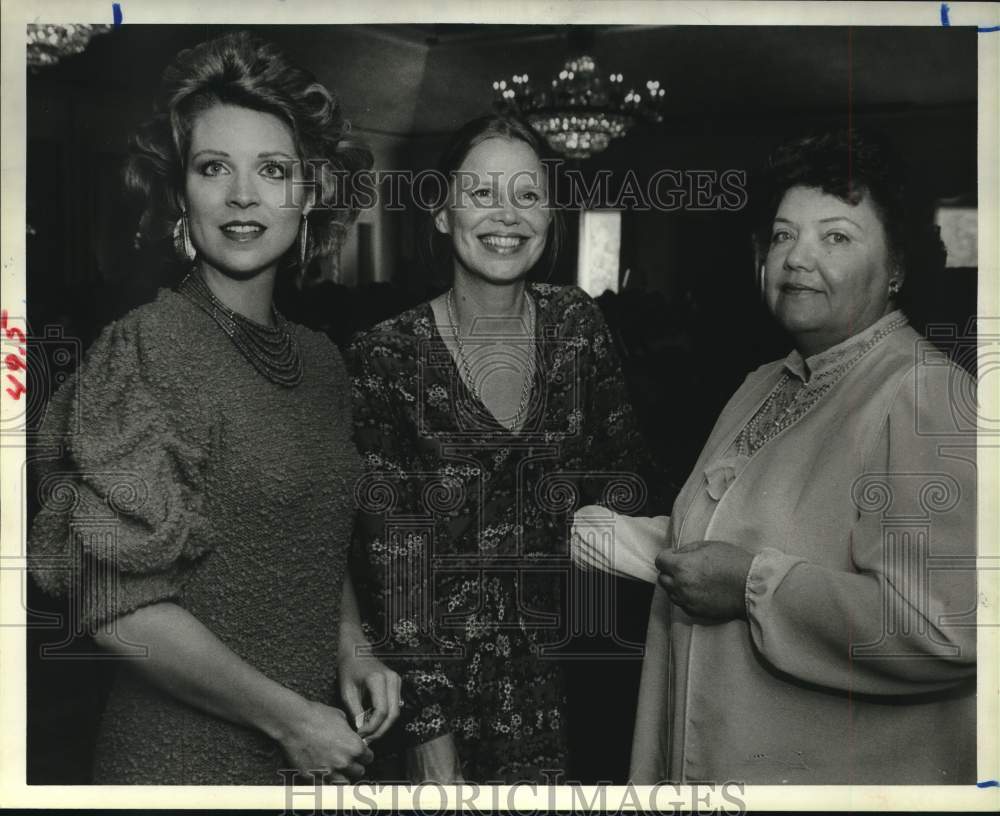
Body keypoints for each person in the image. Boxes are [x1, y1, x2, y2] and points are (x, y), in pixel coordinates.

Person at [28, 31, 401, 784]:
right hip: (182, 761)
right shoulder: (149, 347)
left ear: (310, 191)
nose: (241, 196)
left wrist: (351, 646)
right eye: (212, 168)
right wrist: (292, 719)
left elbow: (311, 532)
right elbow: (117, 613)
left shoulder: (321, 359)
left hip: (311, 752)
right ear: (179, 193)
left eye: (272, 170)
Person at [574, 129, 977, 784]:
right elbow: (735, 533)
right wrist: (589, 532)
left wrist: (753, 585)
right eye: (784, 236)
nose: (797, 259)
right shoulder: (764, 382)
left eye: (836, 237)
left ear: (897, 265)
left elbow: (951, 623)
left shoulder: (924, 393)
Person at [348, 115, 656, 783]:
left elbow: (627, 490)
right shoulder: (386, 356)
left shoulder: (579, 325)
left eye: (527, 193)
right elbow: (392, 568)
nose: (506, 215)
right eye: (482, 193)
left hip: (581, 678)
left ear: (552, 213)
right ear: (441, 211)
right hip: (443, 699)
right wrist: (429, 740)